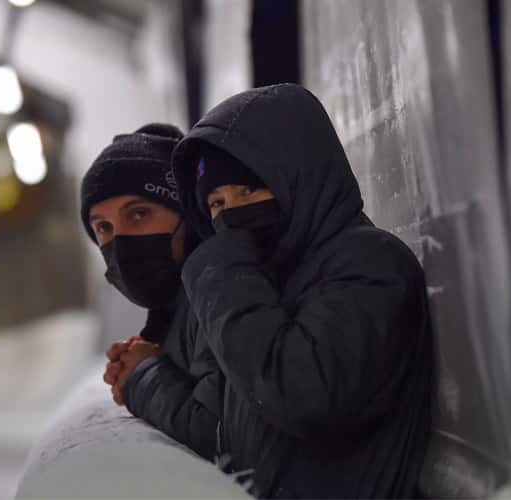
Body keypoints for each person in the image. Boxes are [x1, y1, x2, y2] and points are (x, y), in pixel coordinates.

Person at [169, 84, 434, 498]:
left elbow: (299, 395)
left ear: (300, 176)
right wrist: (143, 379)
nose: (231, 214)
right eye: (217, 203)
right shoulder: (264, 285)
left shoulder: (371, 264)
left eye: (249, 190)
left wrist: (223, 277)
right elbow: (221, 429)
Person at [80, 123, 222, 461]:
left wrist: (142, 377)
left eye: (139, 214)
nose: (121, 240)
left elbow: (227, 436)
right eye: (104, 227)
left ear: (187, 213)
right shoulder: (176, 309)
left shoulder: (218, 292)